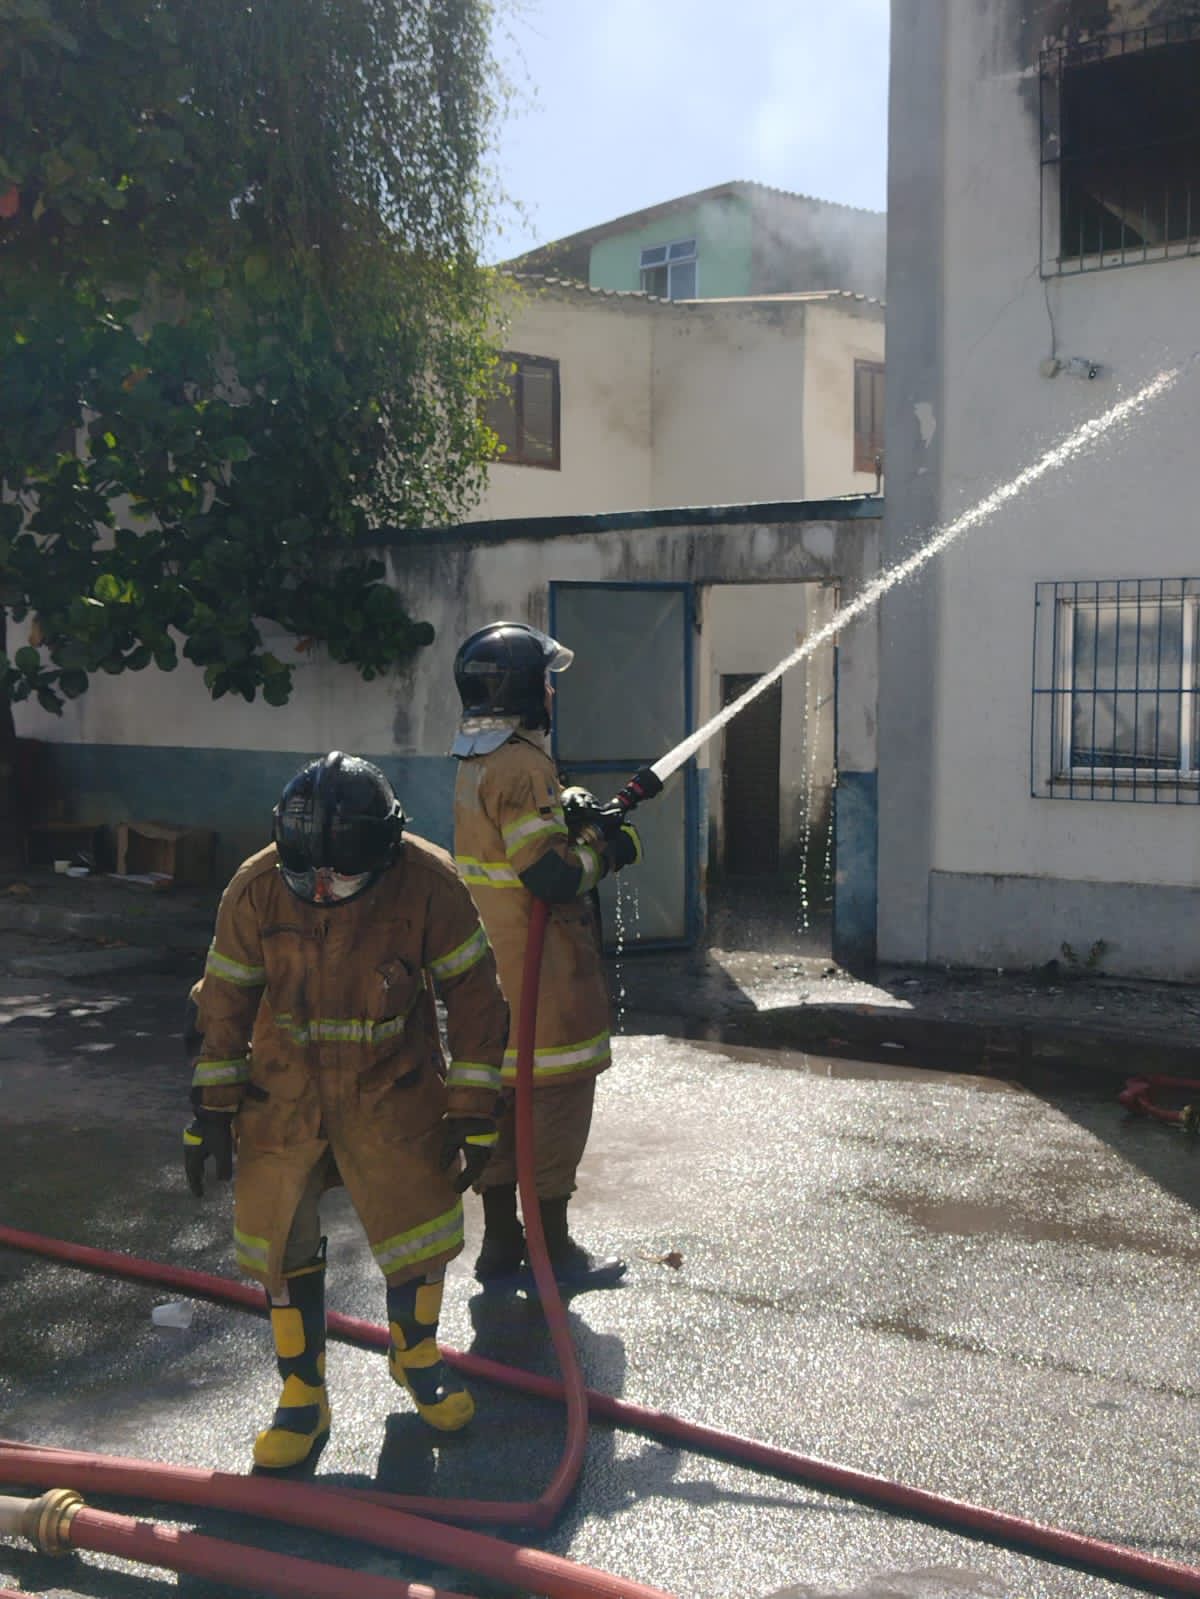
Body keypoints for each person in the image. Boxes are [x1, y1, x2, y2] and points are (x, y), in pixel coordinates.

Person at [182, 752, 508, 1470]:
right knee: (282, 1242)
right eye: (311, 876)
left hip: (391, 1086)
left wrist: (474, 1106)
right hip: (284, 1091)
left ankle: (415, 1356)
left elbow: (477, 997)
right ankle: (302, 1394)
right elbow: (226, 998)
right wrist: (209, 1106)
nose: (322, 888)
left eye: (341, 876)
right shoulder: (258, 885)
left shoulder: (430, 884)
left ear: (386, 848)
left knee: (420, 1228)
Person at [451, 621, 643, 1293]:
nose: (554, 692)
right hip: (544, 979)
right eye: (547, 681)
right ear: (527, 690)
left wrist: (567, 808)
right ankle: (554, 1249)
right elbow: (550, 876)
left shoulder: (479, 758)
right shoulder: (524, 762)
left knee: (503, 1110)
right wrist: (604, 851)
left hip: (494, 975)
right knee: (556, 1111)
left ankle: (502, 1244)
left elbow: (513, 836)